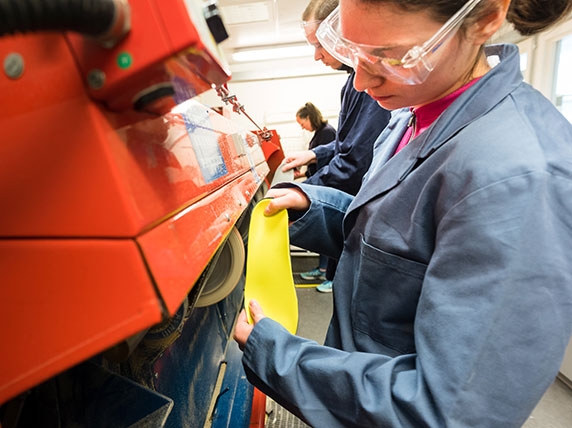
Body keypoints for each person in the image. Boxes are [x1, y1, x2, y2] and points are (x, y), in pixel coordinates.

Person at [235, 0, 572, 426]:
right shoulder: (413, 113)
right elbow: (398, 239)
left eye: (391, 56)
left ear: (486, 20)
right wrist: (315, 207)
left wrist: (276, 355)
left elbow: (449, 412)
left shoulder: (519, 176)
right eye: (353, 52)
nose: (360, 81)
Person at [291, 0, 391, 293]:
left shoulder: (367, 84)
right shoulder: (352, 82)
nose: (317, 56)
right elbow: (345, 144)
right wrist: (314, 153)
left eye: (320, 45)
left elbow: (354, 161)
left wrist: (304, 192)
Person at [295, 102, 336, 283]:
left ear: (309, 118)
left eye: (302, 124)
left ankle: (330, 274)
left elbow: (328, 162)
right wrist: (303, 174)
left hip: (328, 186)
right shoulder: (320, 133)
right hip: (321, 184)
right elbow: (317, 161)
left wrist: (309, 184)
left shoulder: (327, 132)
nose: (302, 128)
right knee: (322, 230)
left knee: (327, 231)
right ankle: (322, 268)